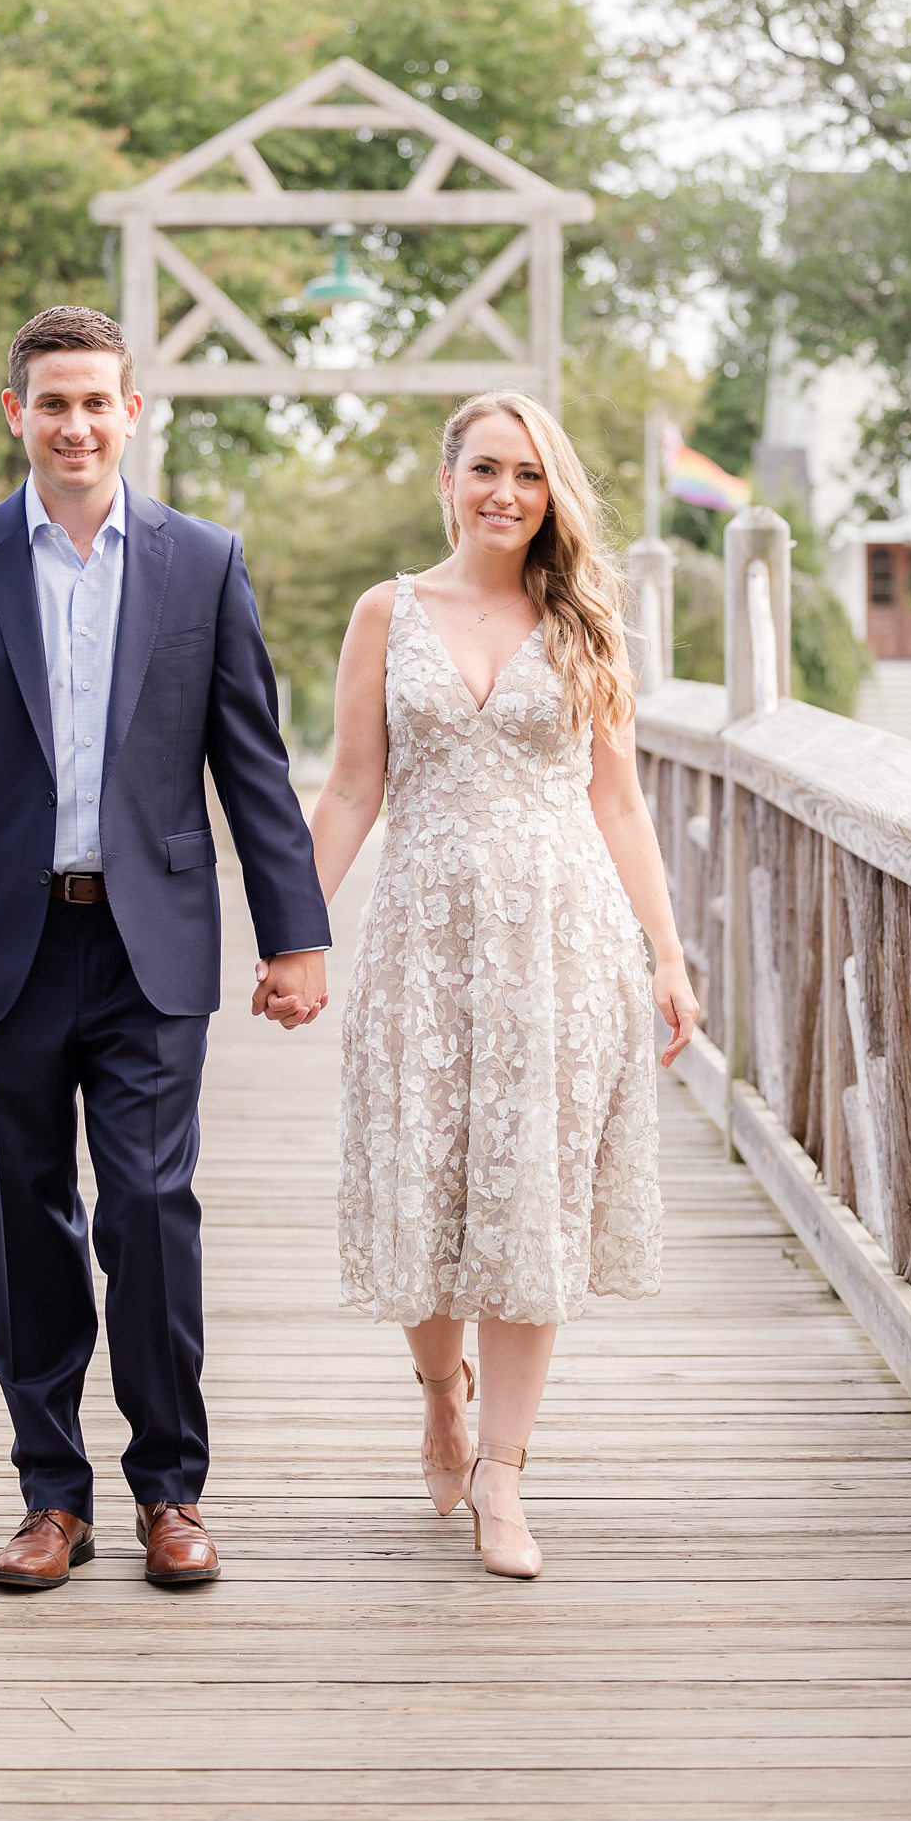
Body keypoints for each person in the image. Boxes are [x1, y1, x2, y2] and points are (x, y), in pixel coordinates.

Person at [0, 305, 329, 1592]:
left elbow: (254, 764)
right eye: (50, 402)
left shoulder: (200, 561)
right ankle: (49, 1497)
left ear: (131, 413)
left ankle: (172, 1491)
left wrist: (295, 938)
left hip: (149, 944)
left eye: (95, 402)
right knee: (22, 1222)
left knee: (151, 1213)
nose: (74, 425)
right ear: (17, 414)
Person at [306, 389, 697, 1580]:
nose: (505, 494)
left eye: (528, 476)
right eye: (485, 470)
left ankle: (503, 1477)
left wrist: (666, 956)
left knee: (529, 1202)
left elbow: (617, 799)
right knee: (422, 1191)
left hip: (559, 946)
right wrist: (290, 935)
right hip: (421, 941)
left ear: (550, 491)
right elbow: (351, 789)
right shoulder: (388, 613)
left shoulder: (583, 619)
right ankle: (440, 1395)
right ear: (447, 480)